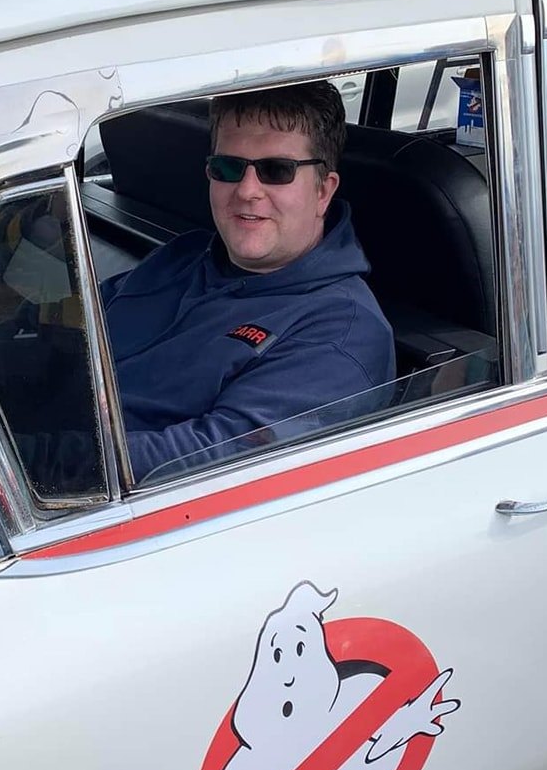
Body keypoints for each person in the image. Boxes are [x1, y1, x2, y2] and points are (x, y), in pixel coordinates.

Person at [99, 81, 395, 482]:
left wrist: (38, 457)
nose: (247, 190)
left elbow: (199, 463)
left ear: (323, 191)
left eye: (277, 170)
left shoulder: (341, 334)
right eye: (228, 168)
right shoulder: (182, 257)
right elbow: (69, 334)